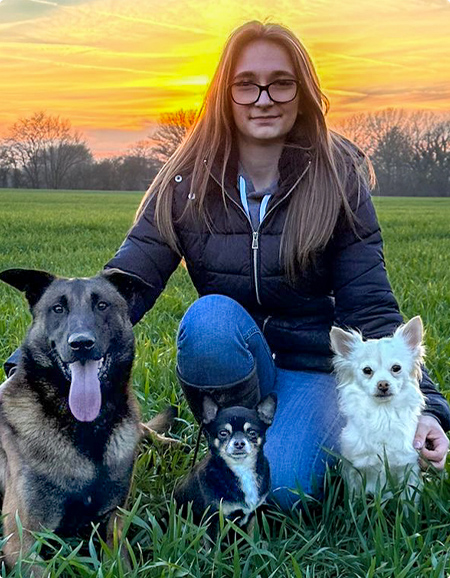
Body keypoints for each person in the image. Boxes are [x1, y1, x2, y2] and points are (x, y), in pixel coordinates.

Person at [4, 21, 449, 508]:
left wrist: (429, 409)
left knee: (284, 490)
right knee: (209, 320)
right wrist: (21, 370)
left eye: (281, 83)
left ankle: (275, 443)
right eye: (246, 84)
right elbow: (124, 287)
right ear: (224, 93)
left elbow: (372, 305)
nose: (264, 99)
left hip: (312, 368)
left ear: (303, 90)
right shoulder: (185, 182)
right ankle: (229, 440)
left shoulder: (337, 177)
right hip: (234, 359)